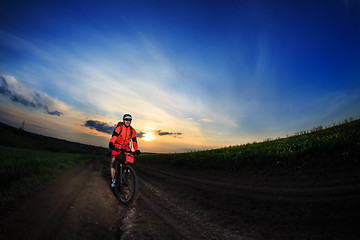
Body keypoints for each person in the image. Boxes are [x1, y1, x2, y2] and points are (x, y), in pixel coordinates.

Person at [108, 114, 141, 188]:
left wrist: (136, 150)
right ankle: (113, 180)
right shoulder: (119, 128)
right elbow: (114, 137)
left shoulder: (132, 131)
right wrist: (111, 143)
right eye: (126, 120)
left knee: (129, 160)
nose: (128, 121)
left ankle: (125, 171)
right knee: (113, 162)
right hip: (117, 146)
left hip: (126, 147)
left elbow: (134, 141)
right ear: (123, 120)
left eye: (129, 120)